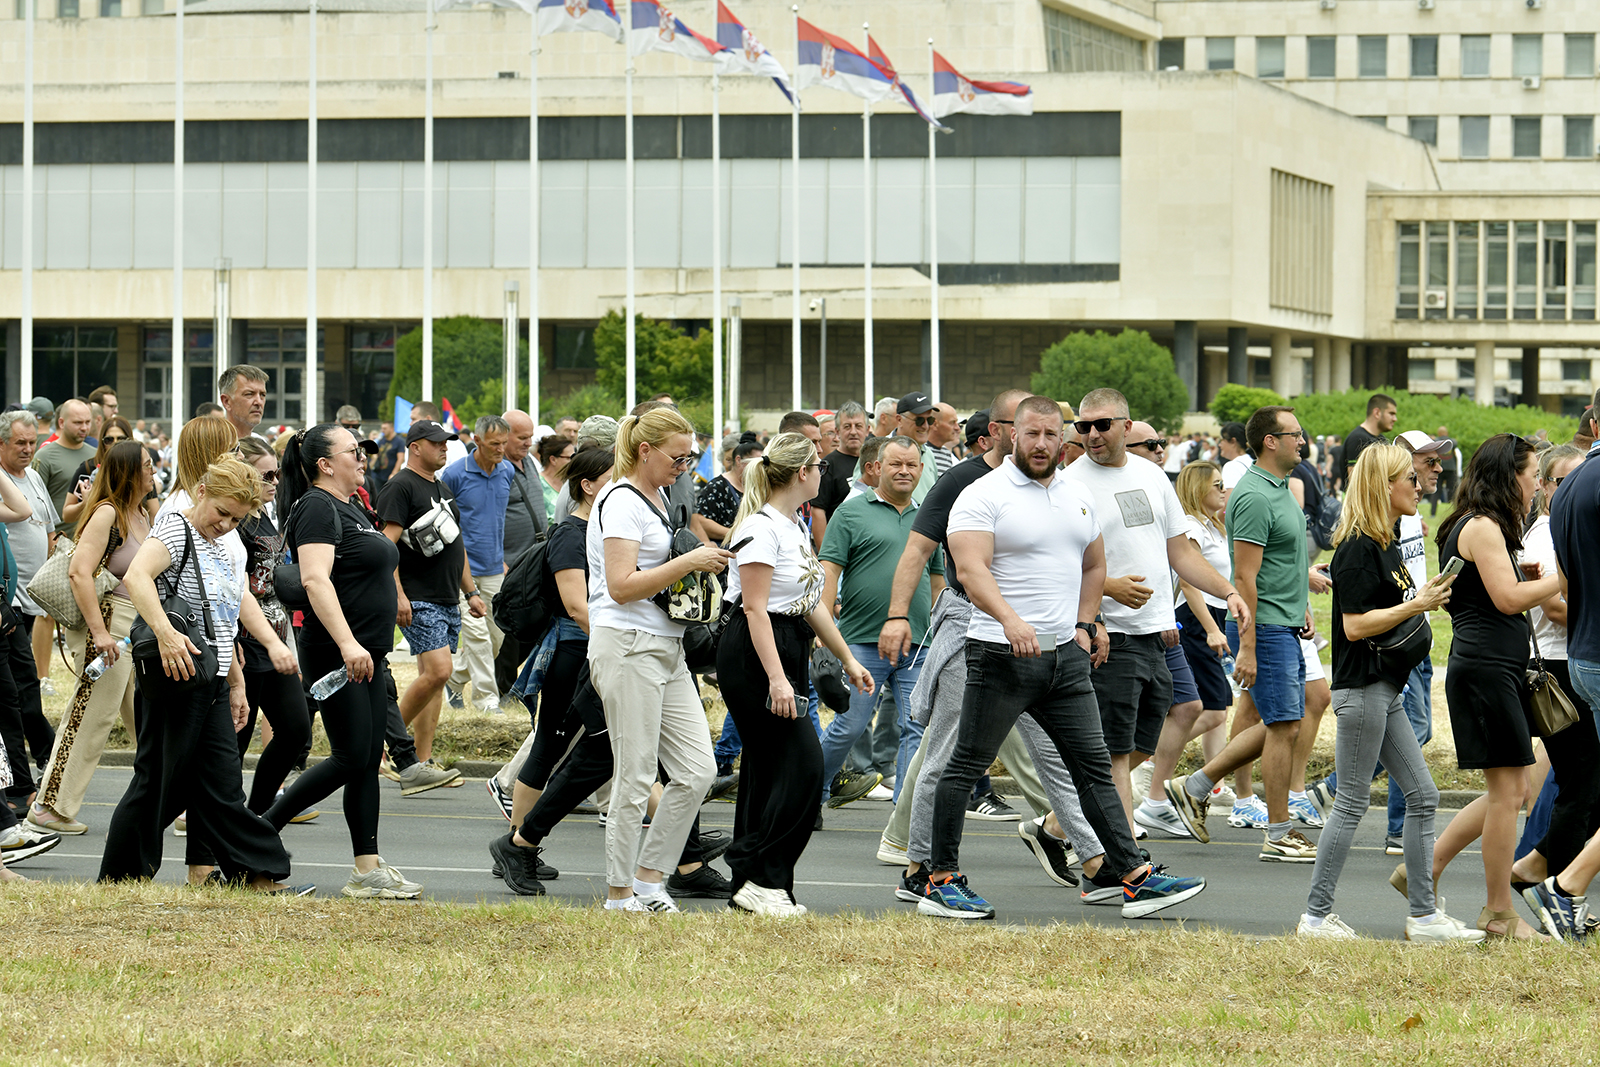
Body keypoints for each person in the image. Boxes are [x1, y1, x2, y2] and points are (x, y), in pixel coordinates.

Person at [920, 395, 1205, 921]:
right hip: (999, 654)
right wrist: (1009, 618)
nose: (1043, 444)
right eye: (1032, 434)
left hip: (1064, 658)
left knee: (1094, 768)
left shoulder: (1075, 493)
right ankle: (939, 879)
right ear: (1012, 435)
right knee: (964, 765)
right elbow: (970, 568)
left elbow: (1094, 565)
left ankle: (1132, 876)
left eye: (1052, 435)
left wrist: (1084, 621)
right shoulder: (983, 494)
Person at [98, 455, 307, 893]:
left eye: (237, 518)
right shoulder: (176, 525)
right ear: (201, 493)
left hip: (210, 675)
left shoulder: (228, 543)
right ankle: (121, 878)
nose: (227, 524)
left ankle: (255, 873)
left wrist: (237, 681)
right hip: (174, 672)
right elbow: (138, 577)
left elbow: (228, 610)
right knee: (157, 779)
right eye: (222, 512)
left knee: (222, 782)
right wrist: (166, 633)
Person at [1294, 445, 1479, 942]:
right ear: (1384, 486)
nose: (1417, 487)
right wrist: (1415, 604)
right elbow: (1354, 626)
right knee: (1352, 802)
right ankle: (1315, 917)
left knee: (1423, 795)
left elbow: (1392, 608)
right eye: (1408, 480)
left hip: (1385, 687)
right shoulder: (1356, 547)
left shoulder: (1386, 541)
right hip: (1362, 688)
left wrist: (1426, 597)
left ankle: (1423, 916)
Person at [1063, 391, 1248, 834]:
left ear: (1127, 426)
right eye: (1083, 427)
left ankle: (1053, 827)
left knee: (1148, 740)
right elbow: (1057, 562)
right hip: (1110, 637)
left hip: (1158, 632)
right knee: (1114, 755)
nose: (1091, 434)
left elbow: (1179, 553)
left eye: (1102, 425)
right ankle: (1128, 864)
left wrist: (1228, 591)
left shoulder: (1151, 475)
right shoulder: (1069, 483)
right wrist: (1103, 599)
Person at [268, 423, 425, 898]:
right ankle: (255, 834)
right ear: (324, 463)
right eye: (353, 452)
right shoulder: (316, 506)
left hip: (366, 652)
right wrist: (348, 644)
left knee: (366, 760)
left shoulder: (351, 504)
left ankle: (367, 869)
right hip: (339, 652)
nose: (363, 459)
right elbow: (315, 581)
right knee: (351, 757)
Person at [718, 432, 871, 915]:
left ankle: (753, 881)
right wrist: (779, 680)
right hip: (756, 651)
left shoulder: (792, 525)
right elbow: (755, 610)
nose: (824, 473)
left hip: (784, 643)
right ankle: (761, 872)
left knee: (767, 770)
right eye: (819, 466)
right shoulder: (763, 529)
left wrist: (848, 658)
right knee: (804, 767)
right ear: (802, 473)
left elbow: (808, 604)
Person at [587, 405, 730, 912]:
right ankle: (620, 893)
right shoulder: (620, 500)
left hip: (664, 646)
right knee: (635, 774)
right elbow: (622, 587)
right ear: (644, 450)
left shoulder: (656, 495)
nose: (685, 465)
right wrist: (689, 560)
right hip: (627, 644)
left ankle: (649, 880)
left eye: (690, 457)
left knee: (697, 771)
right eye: (677, 456)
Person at [1167, 405, 1319, 863]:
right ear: (1270, 441)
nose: (1303, 441)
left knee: (1280, 722)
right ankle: (1278, 834)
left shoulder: (1278, 489)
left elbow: (1285, 561)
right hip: (1263, 626)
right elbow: (1245, 578)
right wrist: (1247, 647)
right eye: (1294, 433)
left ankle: (1193, 786)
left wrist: (1303, 609)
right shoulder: (1253, 496)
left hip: (1282, 622)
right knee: (1284, 725)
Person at [1434, 434, 1560, 938]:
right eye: (1533, 476)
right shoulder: (1483, 527)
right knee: (1509, 795)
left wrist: (1527, 577)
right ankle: (1498, 912)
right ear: (1510, 477)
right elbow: (1507, 600)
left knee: (1510, 791)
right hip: (1486, 670)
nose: (1535, 486)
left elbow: (1480, 596)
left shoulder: (1479, 525)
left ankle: (1430, 873)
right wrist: (1559, 579)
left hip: (1491, 667)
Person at [28, 442, 153, 836]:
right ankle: (50, 805)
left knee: (149, 719)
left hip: (135, 628)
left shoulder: (141, 514)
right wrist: (99, 633)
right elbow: (80, 573)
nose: (154, 473)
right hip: (110, 626)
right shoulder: (107, 513)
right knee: (90, 716)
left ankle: (176, 797)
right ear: (131, 472)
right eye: (148, 466)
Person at [816, 437, 942, 808]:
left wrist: (942, 633)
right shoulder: (851, 512)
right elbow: (829, 571)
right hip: (860, 641)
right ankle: (810, 794)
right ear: (877, 468)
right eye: (895, 464)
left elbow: (938, 582)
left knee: (915, 729)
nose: (904, 471)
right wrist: (823, 630)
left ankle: (903, 819)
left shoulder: (929, 517)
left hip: (919, 644)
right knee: (849, 727)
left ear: (921, 470)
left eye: (911, 465)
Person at [374, 420, 474, 789]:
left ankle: (420, 762)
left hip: (448, 594)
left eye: (446, 442)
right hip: (417, 597)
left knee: (432, 681)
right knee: (439, 672)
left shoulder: (442, 487)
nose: (444, 447)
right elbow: (385, 547)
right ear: (415, 446)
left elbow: (456, 545)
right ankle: (386, 747)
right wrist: (398, 594)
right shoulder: (400, 486)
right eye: (436, 443)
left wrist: (471, 591)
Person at [230, 435, 315, 815]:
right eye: (267, 475)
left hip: (275, 634)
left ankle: (257, 813)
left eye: (277, 473)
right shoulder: (233, 521)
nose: (275, 482)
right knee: (235, 742)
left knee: (296, 730)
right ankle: (219, 826)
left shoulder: (264, 512)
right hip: (246, 642)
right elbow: (231, 587)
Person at [441, 415, 516, 713]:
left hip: (495, 568)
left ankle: (454, 679)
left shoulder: (507, 470)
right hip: (462, 571)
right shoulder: (454, 475)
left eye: (504, 443)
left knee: (496, 639)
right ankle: (487, 701)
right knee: (477, 637)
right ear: (477, 440)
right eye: (495, 444)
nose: (501, 449)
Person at [0, 410, 59, 782]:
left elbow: (48, 528)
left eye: (32, 442)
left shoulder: (34, 476)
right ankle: (45, 760)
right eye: (19, 443)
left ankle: (32, 768)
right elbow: (20, 514)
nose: (27, 449)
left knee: (21, 687)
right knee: (21, 688)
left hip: (36, 596)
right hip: (10, 601)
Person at [33, 399, 95, 536]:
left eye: (88, 422)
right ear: (61, 423)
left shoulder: (96, 455)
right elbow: (35, 505)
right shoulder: (44, 456)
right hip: (58, 541)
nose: (84, 427)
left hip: (90, 540)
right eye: (78, 422)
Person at [60, 416, 136, 528]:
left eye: (121, 439)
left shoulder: (138, 470)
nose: (115, 444)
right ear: (102, 442)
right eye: (109, 440)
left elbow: (153, 513)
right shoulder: (88, 468)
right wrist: (85, 503)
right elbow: (67, 516)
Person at [693, 434, 761, 546]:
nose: (732, 464)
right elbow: (700, 521)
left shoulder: (759, 486)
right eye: (729, 460)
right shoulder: (716, 487)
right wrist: (736, 534)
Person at [815, 401, 867, 523]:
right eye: (847, 426)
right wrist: (824, 542)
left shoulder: (876, 461)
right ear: (837, 431)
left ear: (867, 430)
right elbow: (818, 510)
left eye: (858, 426)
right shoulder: (828, 465)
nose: (853, 432)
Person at [1339, 393, 1397, 487]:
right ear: (1377, 413)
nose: (1395, 419)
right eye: (1391, 414)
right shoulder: (1358, 438)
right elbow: (1354, 480)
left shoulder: (1382, 439)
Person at [219, 365, 270, 441]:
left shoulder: (261, 444)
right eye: (249, 394)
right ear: (226, 401)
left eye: (262, 395)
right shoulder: (211, 445)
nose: (258, 402)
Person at [537, 433, 575, 521]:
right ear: (553, 459)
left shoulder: (571, 483)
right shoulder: (538, 484)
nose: (573, 462)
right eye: (569, 458)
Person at [1217, 422, 1251, 495]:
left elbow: (1228, 502)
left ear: (1233, 441)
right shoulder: (1252, 462)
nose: (1219, 445)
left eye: (1221, 440)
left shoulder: (1232, 467)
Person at [928, 403, 961, 478]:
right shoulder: (920, 451)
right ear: (935, 424)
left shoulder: (946, 453)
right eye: (952, 423)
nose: (957, 428)